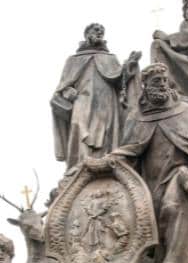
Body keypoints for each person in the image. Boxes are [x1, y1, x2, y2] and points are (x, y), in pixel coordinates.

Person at [111, 63, 188, 263]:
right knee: (153, 217)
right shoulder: (137, 116)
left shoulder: (184, 111)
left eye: (164, 80)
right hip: (150, 183)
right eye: (157, 82)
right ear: (146, 86)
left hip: (181, 176)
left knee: (174, 206)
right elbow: (129, 150)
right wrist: (108, 162)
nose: (162, 85)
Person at [53, 23, 141, 168]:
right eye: (96, 30)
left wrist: (130, 64)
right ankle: (79, 166)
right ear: (87, 34)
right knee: (78, 126)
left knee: (106, 132)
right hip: (82, 100)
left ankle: (106, 164)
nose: (99, 33)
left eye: (102, 31)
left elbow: (120, 79)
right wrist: (67, 91)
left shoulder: (110, 58)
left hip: (106, 101)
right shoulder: (73, 60)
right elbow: (62, 85)